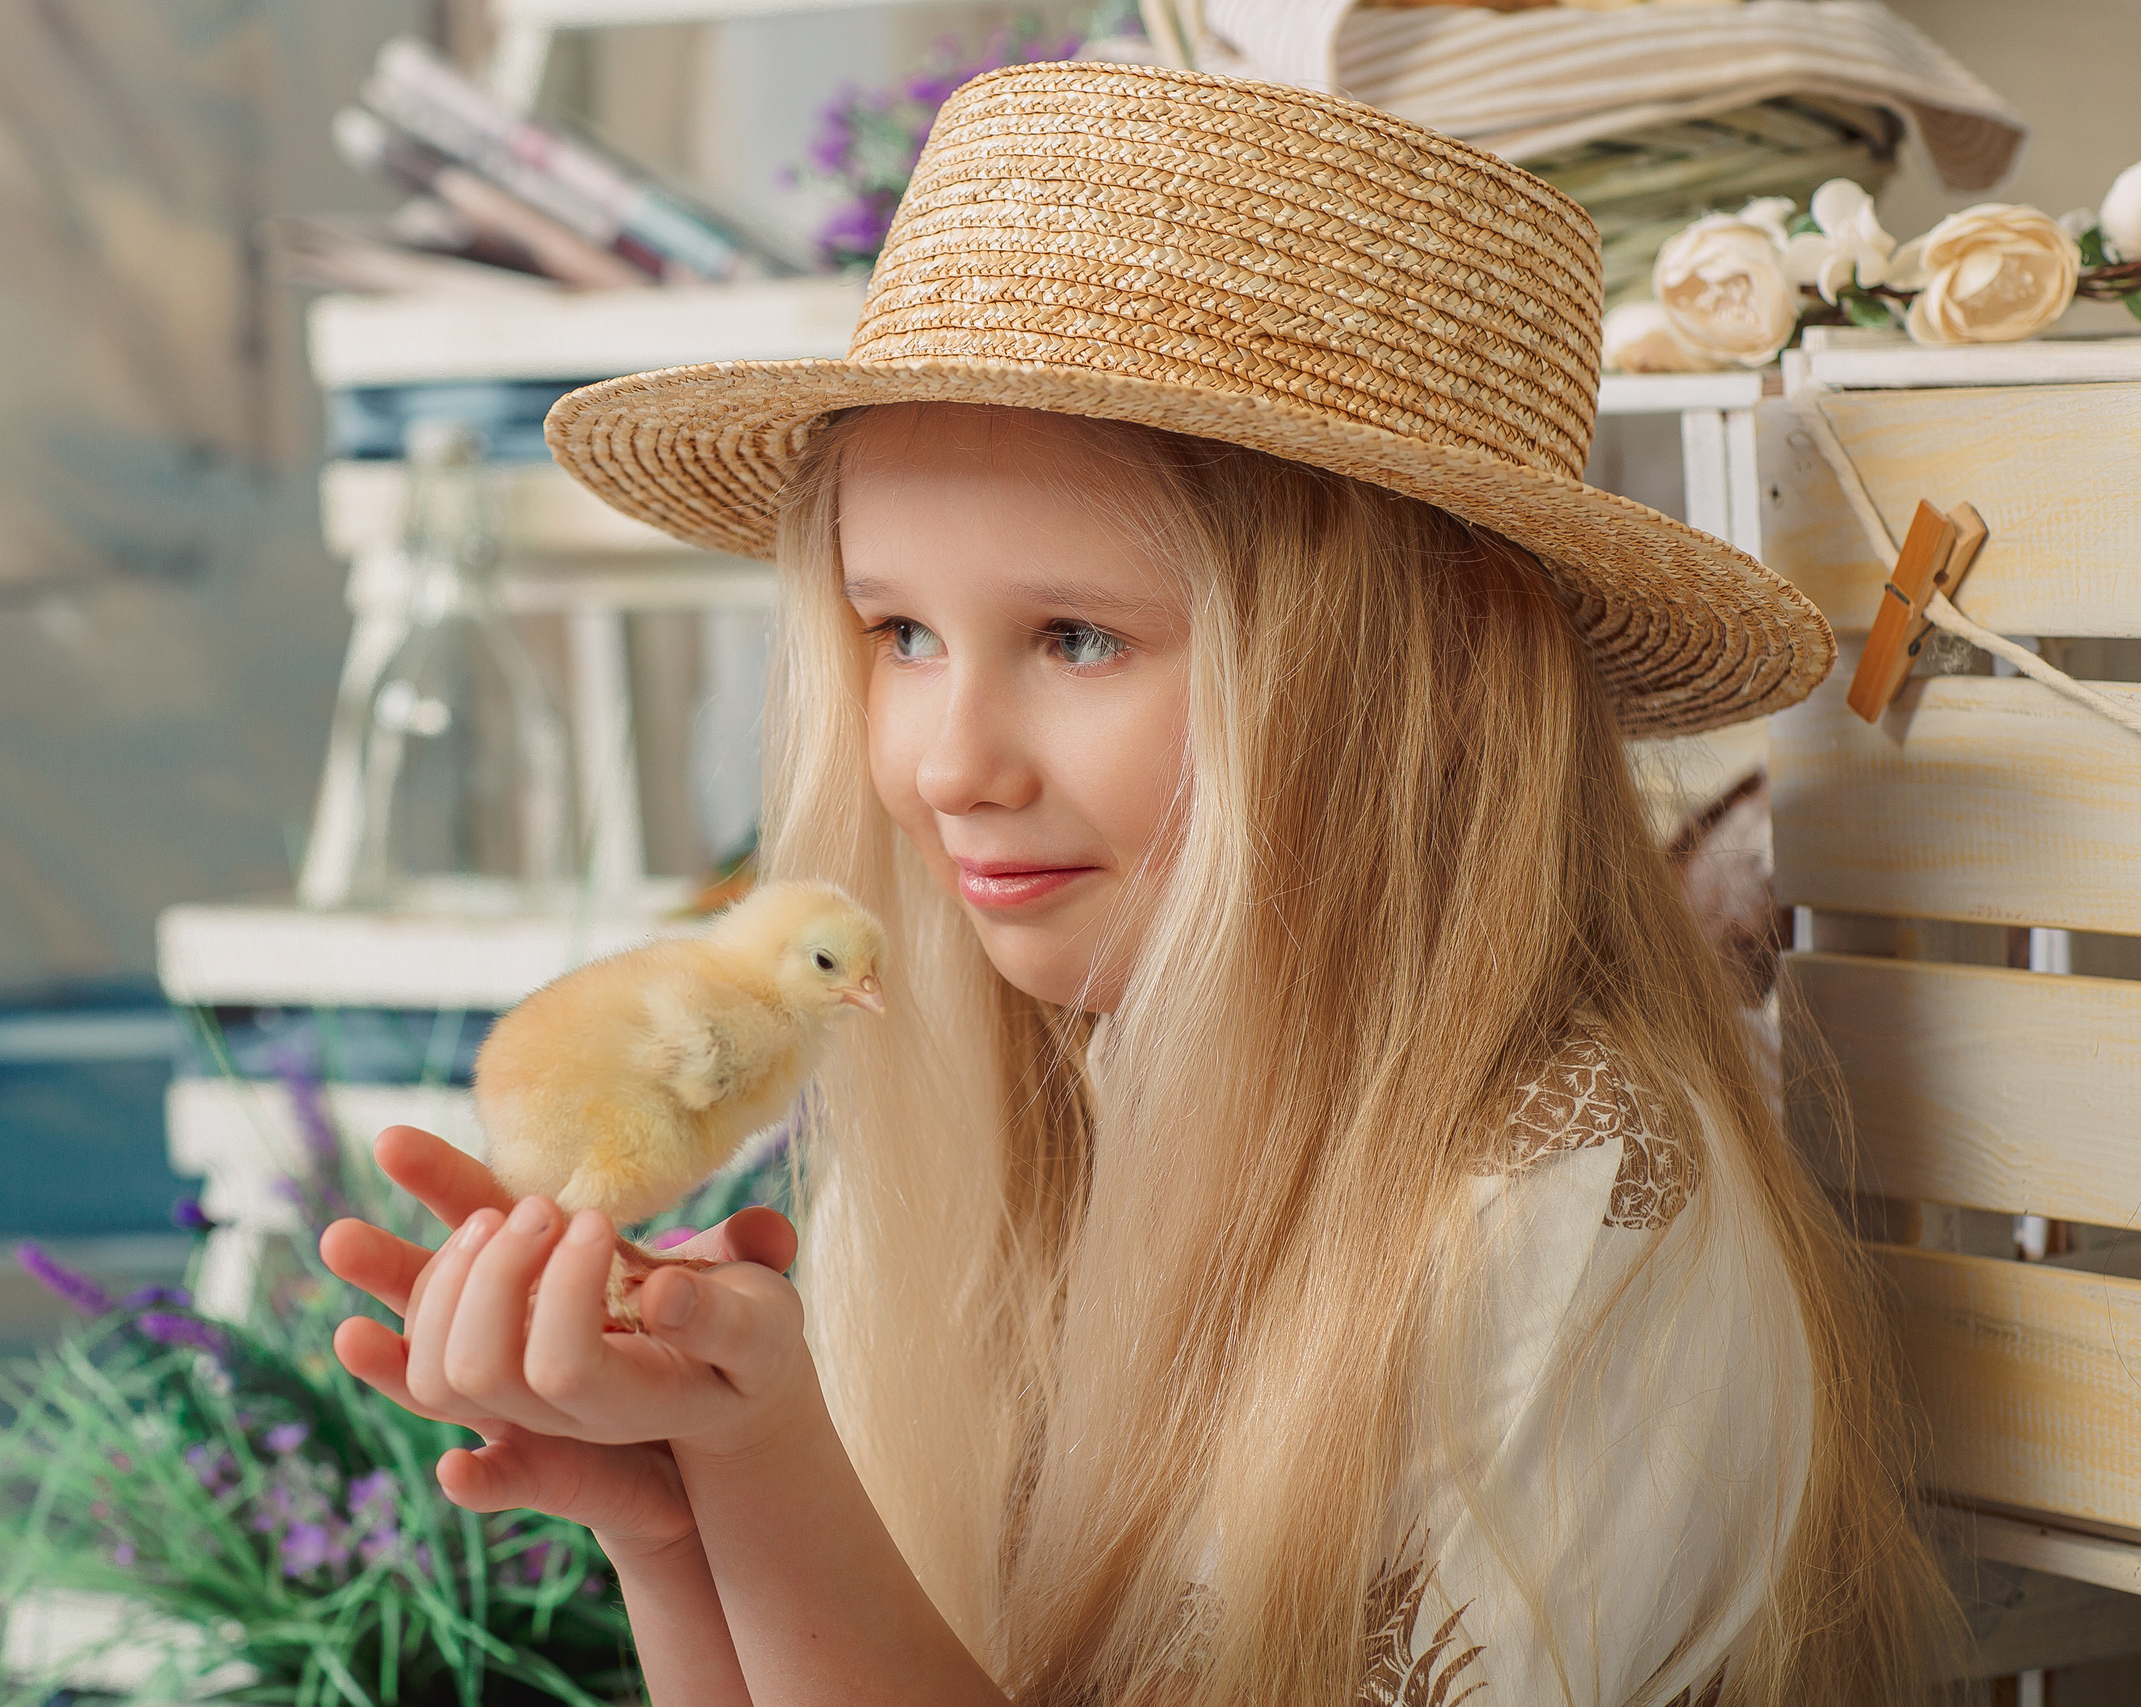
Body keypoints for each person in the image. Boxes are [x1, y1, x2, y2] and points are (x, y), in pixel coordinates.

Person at [319, 62, 1955, 1706]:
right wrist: (688, 1524)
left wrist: (770, 1477)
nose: (949, 765)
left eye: (1079, 639)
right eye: (900, 633)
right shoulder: (1001, 1137)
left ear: (1431, 670)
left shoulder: (1567, 1220)